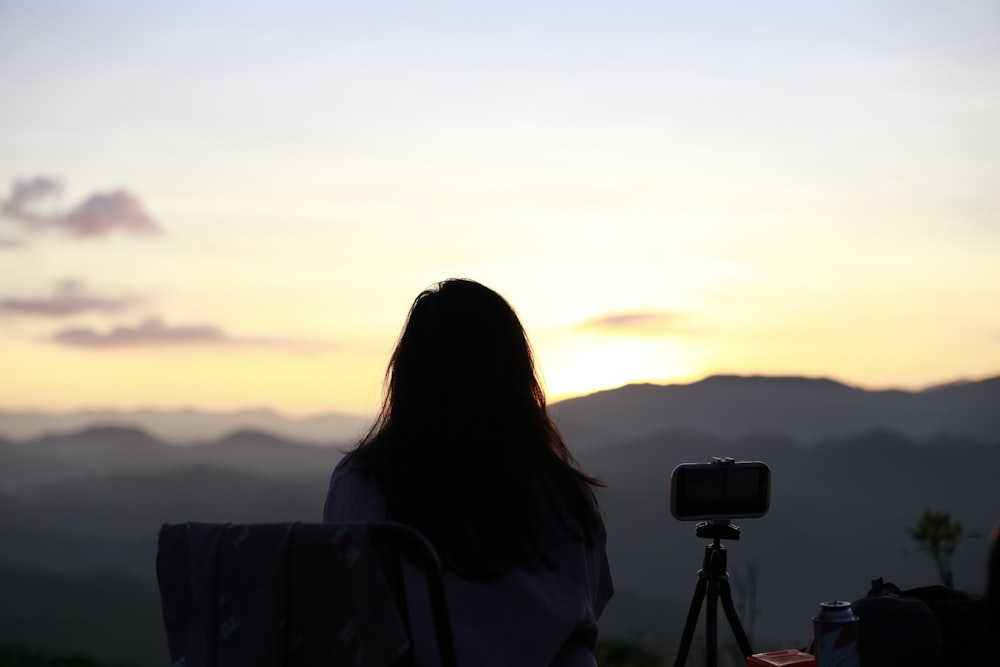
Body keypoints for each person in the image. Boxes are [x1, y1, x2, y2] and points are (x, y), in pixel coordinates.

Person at [323, 278, 613, 666]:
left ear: (406, 373)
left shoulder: (359, 483)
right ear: (515, 375)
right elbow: (591, 601)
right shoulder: (564, 495)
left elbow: (344, 603)